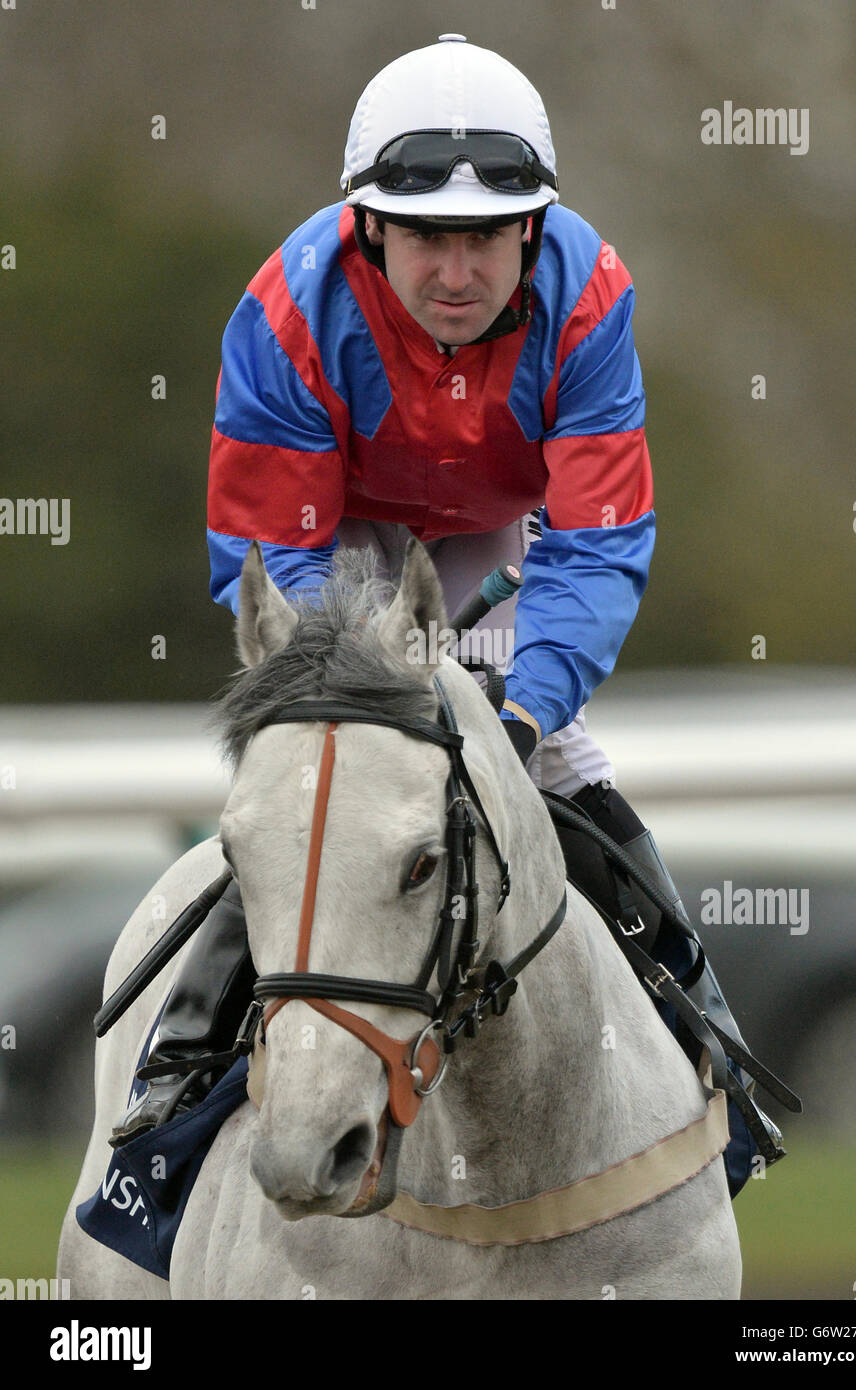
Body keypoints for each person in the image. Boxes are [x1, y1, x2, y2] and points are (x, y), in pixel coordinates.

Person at [111, 35, 782, 1195]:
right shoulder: (285, 308)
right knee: (322, 800)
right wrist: (360, 707)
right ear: (369, 225)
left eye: (486, 235)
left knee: (568, 767)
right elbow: (271, 546)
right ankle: (175, 1069)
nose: (458, 271)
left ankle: (706, 1047)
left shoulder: (591, 292)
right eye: (428, 236)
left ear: (532, 227)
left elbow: (598, 535)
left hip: (500, 541)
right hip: (339, 542)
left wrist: (520, 721)